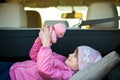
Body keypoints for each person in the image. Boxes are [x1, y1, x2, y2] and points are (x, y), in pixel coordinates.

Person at [0, 26, 119, 80]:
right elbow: (34, 56)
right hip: (13, 66)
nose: (70, 55)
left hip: (13, 77)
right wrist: (41, 41)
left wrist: (46, 45)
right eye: (73, 52)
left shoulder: (66, 75)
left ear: (82, 67)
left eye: (76, 56)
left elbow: (44, 70)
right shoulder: (62, 59)